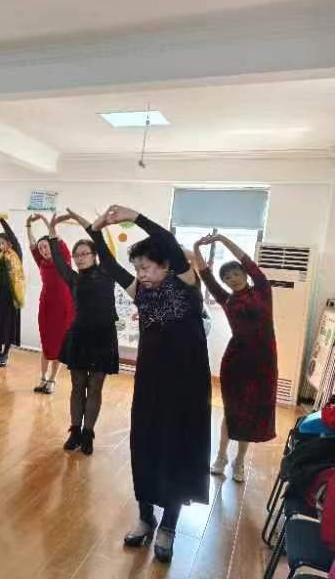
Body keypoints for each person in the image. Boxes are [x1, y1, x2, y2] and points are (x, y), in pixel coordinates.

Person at [91, 205, 211, 564]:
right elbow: (109, 264)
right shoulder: (141, 293)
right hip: (149, 386)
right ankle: (146, 517)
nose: (140, 274)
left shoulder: (188, 287)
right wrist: (95, 230)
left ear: (166, 266)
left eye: (145, 267)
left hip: (186, 390)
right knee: (144, 448)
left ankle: (169, 525)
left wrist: (135, 217)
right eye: (137, 268)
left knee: (176, 451)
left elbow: (167, 240)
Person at [194, 233, 277, 482]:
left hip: (263, 362)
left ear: (245, 274)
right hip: (236, 361)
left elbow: (247, 259)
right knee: (233, 410)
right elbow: (205, 275)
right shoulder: (227, 298)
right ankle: (221, 456)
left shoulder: (262, 290)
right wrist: (197, 247)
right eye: (227, 277)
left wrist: (222, 239)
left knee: (251, 413)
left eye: (236, 274)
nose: (233, 279)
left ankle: (239, 461)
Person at [48, 209, 119, 455]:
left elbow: (97, 237)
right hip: (79, 336)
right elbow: (58, 260)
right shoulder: (74, 278)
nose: (79, 258)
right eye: (76, 255)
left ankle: (88, 433)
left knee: (95, 386)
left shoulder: (107, 272)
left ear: (94, 255)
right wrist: (52, 231)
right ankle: (75, 431)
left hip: (103, 337)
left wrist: (80, 219)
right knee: (77, 385)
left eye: (84, 254)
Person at [26, 213, 75, 394]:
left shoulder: (65, 258)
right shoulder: (42, 262)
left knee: (60, 344)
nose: (43, 250)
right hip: (46, 306)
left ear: (52, 245)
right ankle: (43, 378)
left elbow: (55, 236)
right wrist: (28, 225)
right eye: (41, 249)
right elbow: (32, 244)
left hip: (64, 307)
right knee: (46, 343)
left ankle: (53, 380)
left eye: (46, 246)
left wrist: (47, 222)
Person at [0, 215, 25, 367]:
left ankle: (5, 354)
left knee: (9, 326)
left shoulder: (16, 254)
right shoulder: (0, 256)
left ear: (10, 243)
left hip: (13, 298)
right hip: (0, 297)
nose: (1, 246)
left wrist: (1, 220)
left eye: (3, 242)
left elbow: (12, 235)